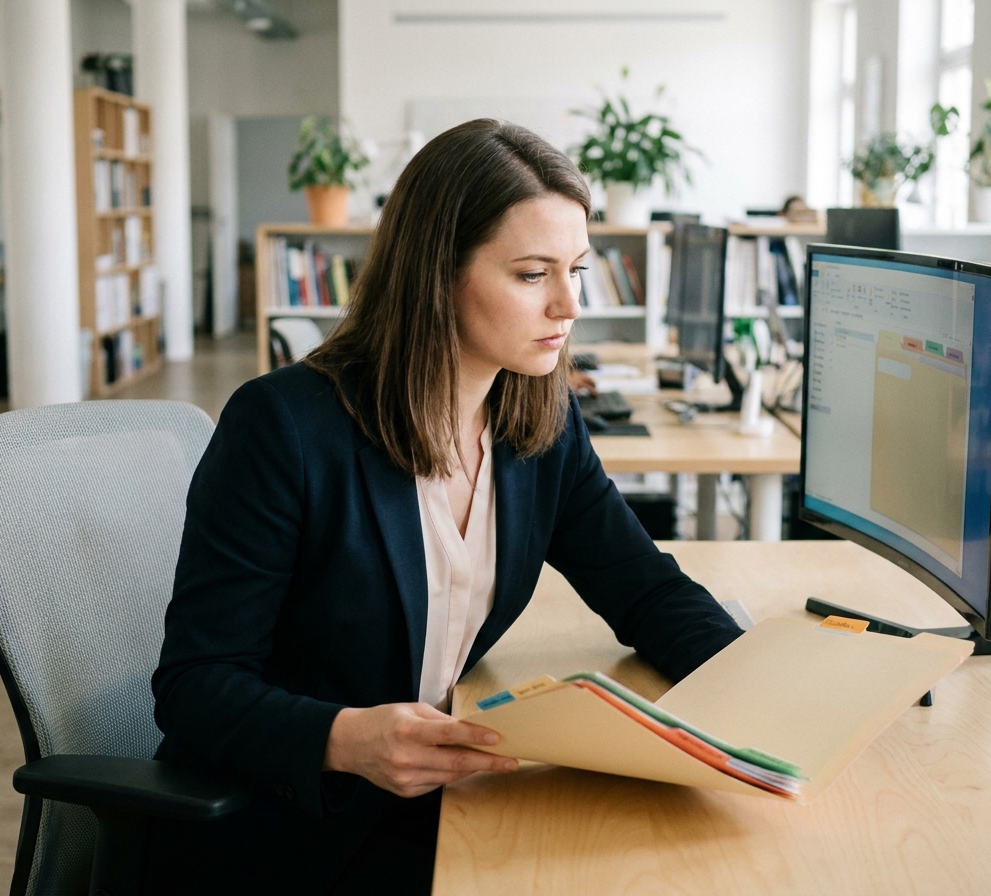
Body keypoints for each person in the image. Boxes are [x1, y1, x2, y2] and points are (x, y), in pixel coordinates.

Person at [148, 119, 743, 895]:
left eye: (577, 270)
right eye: (533, 275)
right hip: (295, 830)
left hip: (441, 805)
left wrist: (757, 689)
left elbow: (648, 591)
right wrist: (344, 737)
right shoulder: (285, 428)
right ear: (437, 276)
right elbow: (194, 686)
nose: (569, 304)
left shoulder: (538, 425)